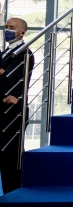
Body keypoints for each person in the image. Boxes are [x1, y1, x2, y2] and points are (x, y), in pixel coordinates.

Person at [0, 18, 33, 193]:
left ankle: (13, 195)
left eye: (11, 28)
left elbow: (9, 79)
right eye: (6, 27)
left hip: (14, 112)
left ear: (22, 32)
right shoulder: (5, 53)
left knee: (11, 156)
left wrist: (3, 74)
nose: (7, 30)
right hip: (3, 109)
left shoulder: (24, 53)